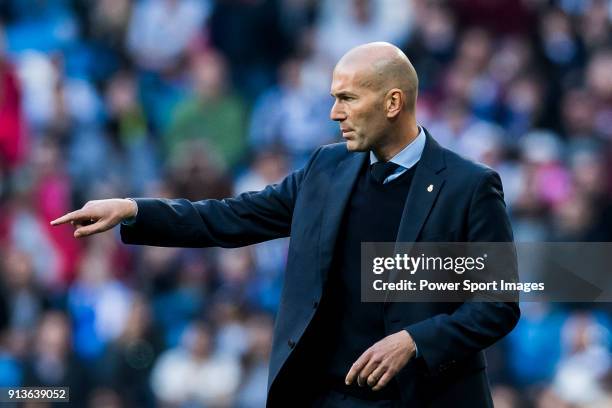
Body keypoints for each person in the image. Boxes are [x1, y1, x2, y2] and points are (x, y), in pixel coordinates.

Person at [52, 42, 520, 407]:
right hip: (330, 399)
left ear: (393, 101)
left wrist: (416, 341)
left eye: (347, 99)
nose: (335, 113)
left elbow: (497, 305)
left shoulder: (469, 186)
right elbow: (233, 216)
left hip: (426, 400)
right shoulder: (325, 170)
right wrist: (136, 209)